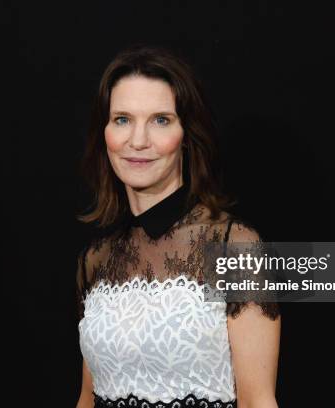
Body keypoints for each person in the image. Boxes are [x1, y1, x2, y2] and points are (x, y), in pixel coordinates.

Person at [75, 44, 281, 408]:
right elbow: (87, 398)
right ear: (104, 132)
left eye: (160, 120)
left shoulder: (235, 246)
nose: (138, 141)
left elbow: (257, 402)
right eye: (122, 119)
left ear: (187, 136)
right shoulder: (96, 259)